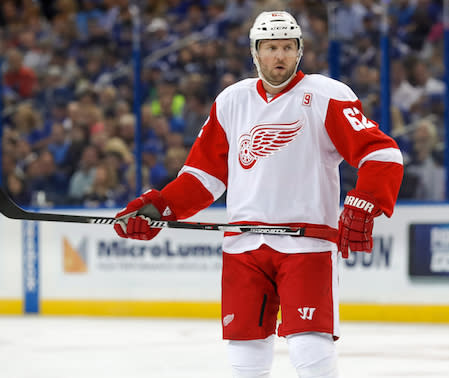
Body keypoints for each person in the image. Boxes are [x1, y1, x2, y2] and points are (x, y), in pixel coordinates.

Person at [113, 11, 403, 378]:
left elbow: (382, 154)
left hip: (307, 247)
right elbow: (203, 178)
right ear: (255, 52)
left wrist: (367, 198)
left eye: (286, 47)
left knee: (309, 351)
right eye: (270, 48)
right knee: (245, 360)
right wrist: (160, 208)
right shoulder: (232, 101)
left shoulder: (326, 95)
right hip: (243, 248)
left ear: (298, 51)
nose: (279, 56)